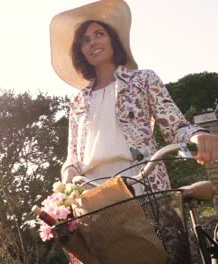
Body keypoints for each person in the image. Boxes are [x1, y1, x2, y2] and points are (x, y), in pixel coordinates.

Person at [49, 0, 218, 192]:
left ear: (112, 40)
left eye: (99, 34)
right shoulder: (78, 102)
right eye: (85, 40)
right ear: (81, 51)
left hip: (140, 182)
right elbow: (73, 156)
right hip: (93, 192)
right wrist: (68, 174)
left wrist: (198, 135)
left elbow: (176, 127)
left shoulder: (143, 79)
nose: (92, 42)